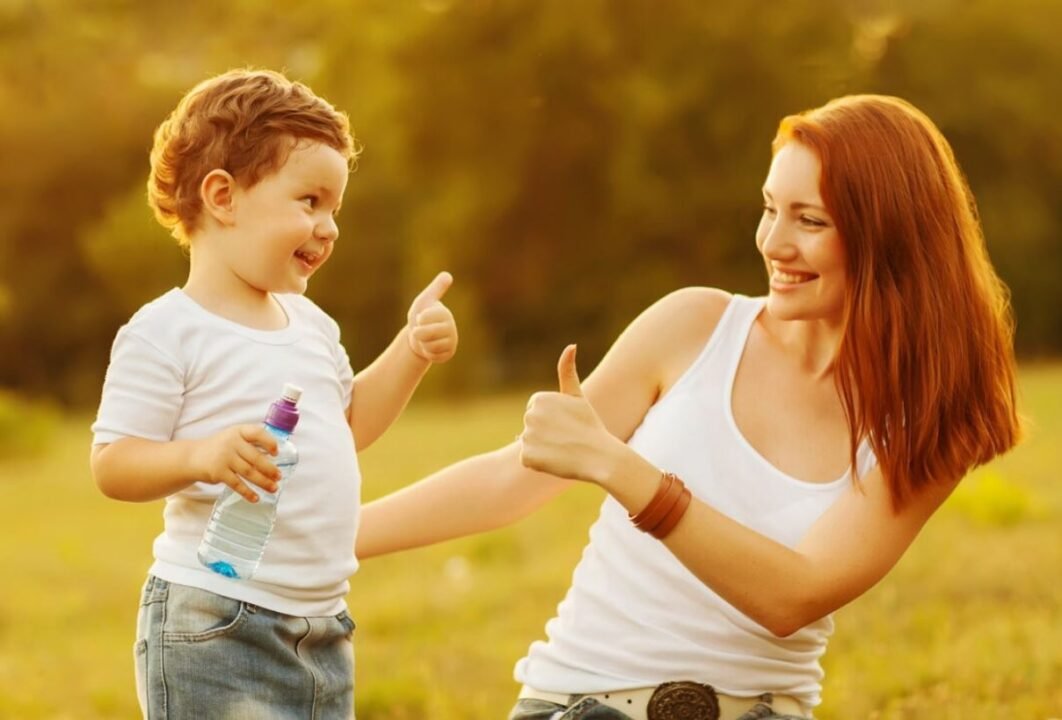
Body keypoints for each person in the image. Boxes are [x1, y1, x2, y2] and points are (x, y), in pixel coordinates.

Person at [354, 94, 1020, 720]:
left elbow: (792, 596)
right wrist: (329, 534)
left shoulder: (934, 417)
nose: (773, 242)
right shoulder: (693, 327)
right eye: (769, 208)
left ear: (889, 236)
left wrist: (622, 470)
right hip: (587, 704)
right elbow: (512, 480)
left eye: (809, 220)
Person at [89, 68, 458, 719]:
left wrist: (412, 350)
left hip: (321, 627)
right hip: (214, 623)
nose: (330, 227)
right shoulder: (166, 331)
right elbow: (113, 463)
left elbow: (348, 426)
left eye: (334, 209)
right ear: (223, 197)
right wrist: (200, 457)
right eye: (309, 201)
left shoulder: (312, 326)